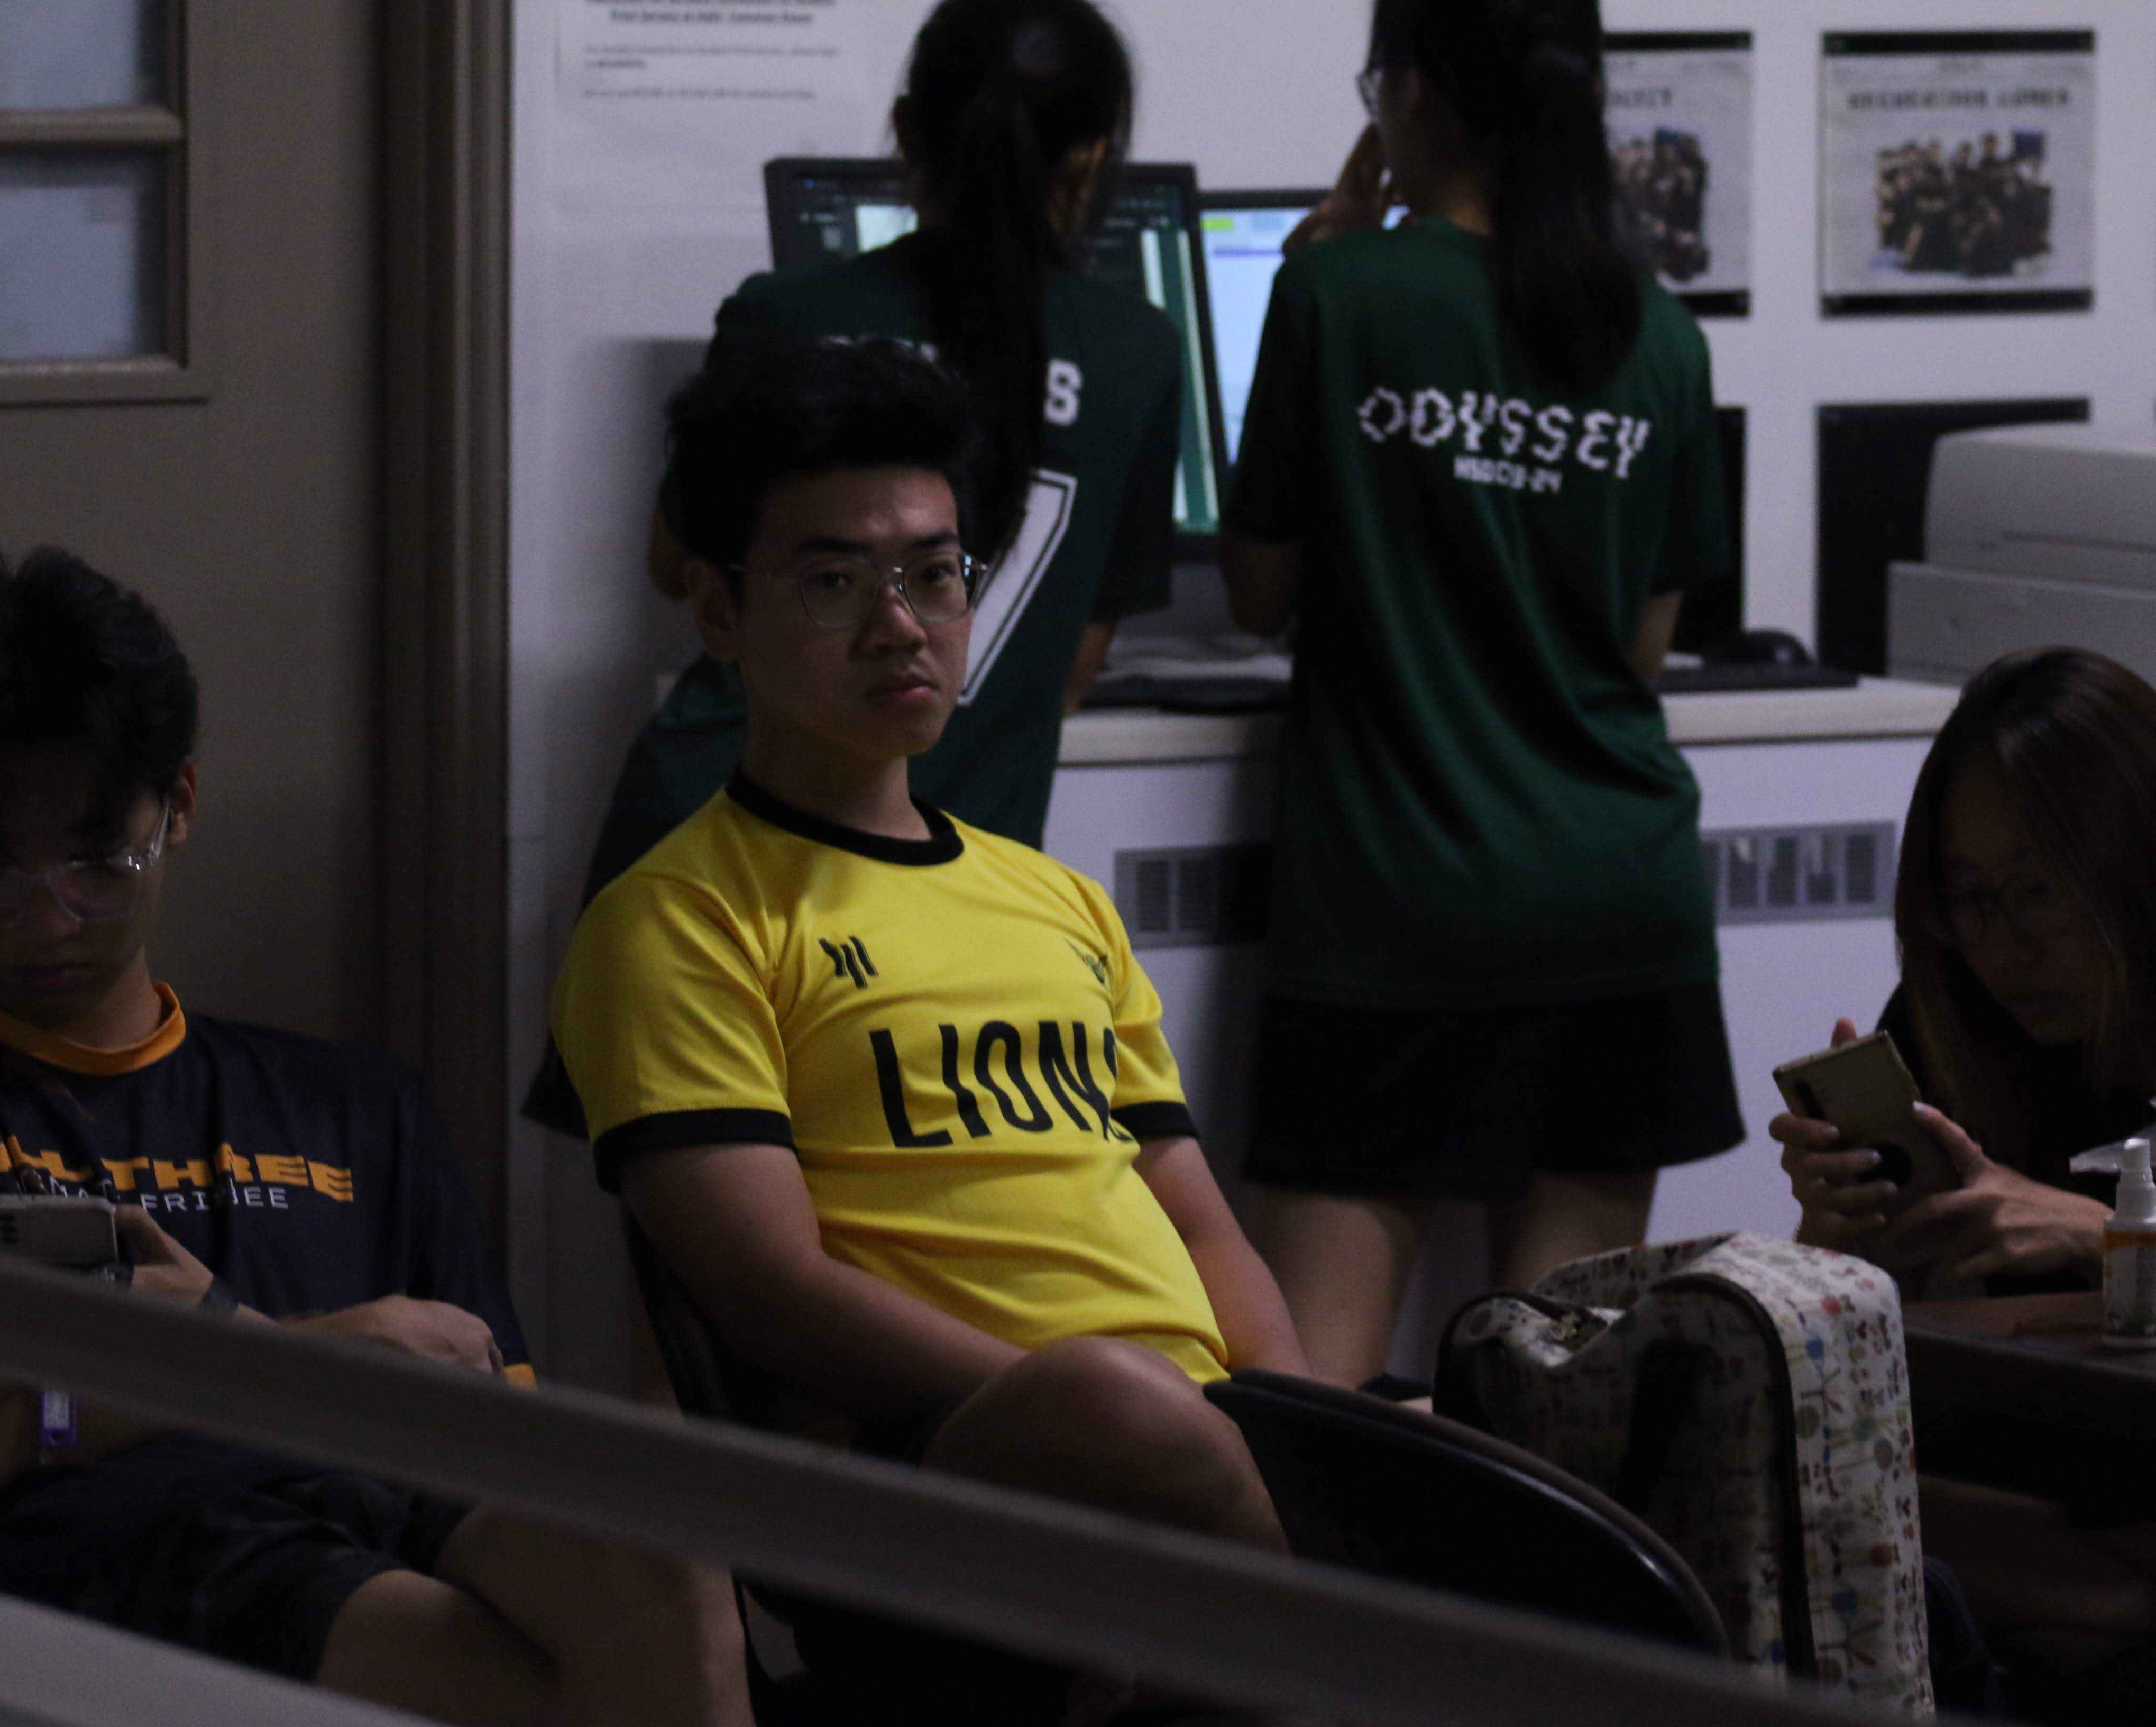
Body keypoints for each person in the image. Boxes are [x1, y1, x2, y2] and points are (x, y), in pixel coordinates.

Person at [0, 548, 751, 1727]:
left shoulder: (356, 1108)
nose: (47, 916)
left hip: (383, 1509)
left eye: (97, 859)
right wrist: (287, 1354)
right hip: (108, 1559)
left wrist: (131, 1368)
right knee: (524, 1686)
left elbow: (478, 1422)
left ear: (178, 806)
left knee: (666, 1570)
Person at [552, 337, 1314, 1569]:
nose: (900, 627)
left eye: (934, 574)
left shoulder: (1056, 900)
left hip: (1192, 1441)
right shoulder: (681, 916)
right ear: (720, 611)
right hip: (934, 1461)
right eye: (834, 581)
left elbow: (1200, 1224)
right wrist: (1099, 1412)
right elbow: (769, 1292)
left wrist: (1297, 1425)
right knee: (1116, 1407)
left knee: (1503, 1419)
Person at [526, 0, 1184, 1148]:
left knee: (699, 1216)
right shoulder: (1136, 345)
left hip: (722, 850)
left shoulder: (791, 314)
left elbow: (676, 565)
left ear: (906, 134)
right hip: (953, 879)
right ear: (1089, 162)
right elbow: (1076, 664)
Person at [1217, 0, 1742, 1388]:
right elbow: (1639, 648)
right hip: (1615, 904)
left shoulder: (1337, 290)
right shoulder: (1659, 332)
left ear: (1412, 95)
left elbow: (1257, 591)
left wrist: (1327, 261)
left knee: (1310, 1402)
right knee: (1553, 1400)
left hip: (1395, 905)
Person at [1772, 646, 2156, 1720]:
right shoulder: (1952, 1016)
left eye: (2035, 894)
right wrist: (1838, 1238)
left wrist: (2098, 1234)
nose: (2000, 947)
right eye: (1968, 899)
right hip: (2020, 1472)